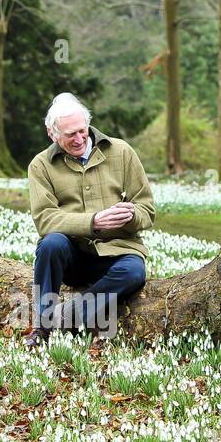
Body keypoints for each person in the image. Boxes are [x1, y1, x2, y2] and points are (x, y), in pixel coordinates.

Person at [25, 93, 154, 346]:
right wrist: (93, 222)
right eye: (70, 134)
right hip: (73, 256)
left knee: (134, 271)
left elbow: (146, 210)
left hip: (117, 252)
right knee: (51, 244)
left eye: (82, 131)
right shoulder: (40, 166)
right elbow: (45, 219)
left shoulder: (122, 152)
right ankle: (42, 325)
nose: (79, 138)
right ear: (53, 134)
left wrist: (130, 215)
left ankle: (68, 318)